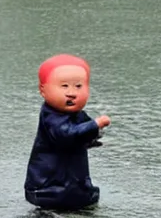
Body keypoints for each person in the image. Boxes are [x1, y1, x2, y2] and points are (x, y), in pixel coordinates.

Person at [26, 54, 109, 211]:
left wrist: (93, 135)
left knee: (77, 186)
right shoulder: (51, 117)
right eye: (64, 86)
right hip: (49, 185)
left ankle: (81, 192)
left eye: (78, 86)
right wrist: (95, 125)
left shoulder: (77, 114)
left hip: (73, 179)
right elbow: (65, 135)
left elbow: (82, 131)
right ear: (42, 90)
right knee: (58, 197)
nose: (72, 93)